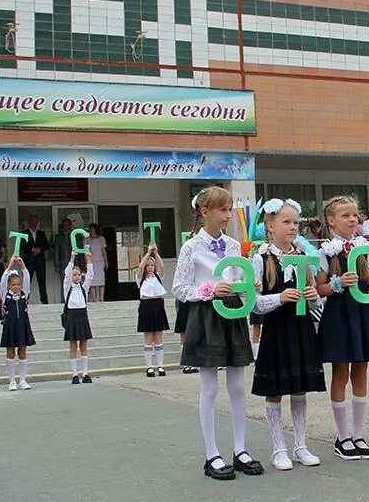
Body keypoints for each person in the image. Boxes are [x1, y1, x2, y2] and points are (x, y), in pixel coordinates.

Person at [174, 187, 262, 481]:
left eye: (229, 209)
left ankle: (240, 449)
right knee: (209, 386)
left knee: (237, 383)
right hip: (207, 313)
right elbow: (180, 288)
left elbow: (236, 279)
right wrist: (210, 290)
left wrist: (250, 285)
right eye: (223, 210)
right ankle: (212, 453)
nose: (228, 215)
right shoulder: (191, 248)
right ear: (205, 212)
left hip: (233, 313)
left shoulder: (234, 246)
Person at [251, 198, 326, 471]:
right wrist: (280, 298)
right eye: (286, 222)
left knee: (299, 388)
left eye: (296, 222)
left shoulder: (304, 256)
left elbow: (316, 301)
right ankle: (278, 447)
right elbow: (255, 303)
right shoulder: (261, 258)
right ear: (270, 226)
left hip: (301, 327)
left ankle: (301, 445)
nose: (292, 227)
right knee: (275, 390)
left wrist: (313, 295)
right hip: (277, 329)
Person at [316, 195, 369, 460]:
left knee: (361, 370)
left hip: (362, 311)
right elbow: (318, 288)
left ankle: (358, 433)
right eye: (346, 216)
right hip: (339, 314)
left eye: (355, 215)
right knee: (340, 372)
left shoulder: (364, 247)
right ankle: (342, 435)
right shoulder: (326, 250)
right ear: (331, 221)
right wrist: (336, 284)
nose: (352, 220)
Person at [0, 255, 35, 391]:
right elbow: (3, 279)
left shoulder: (24, 293)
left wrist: (22, 264)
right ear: (9, 285)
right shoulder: (5, 294)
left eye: (18, 284)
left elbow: (27, 277)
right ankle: (12, 381)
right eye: (13, 285)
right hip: (10, 326)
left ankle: (23, 380)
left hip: (22, 325)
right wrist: (9, 265)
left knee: (22, 351)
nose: (16, 287)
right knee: (10, 352)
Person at [137, 243, 169, 377]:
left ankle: (160, 365)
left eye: (151, 265)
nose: (149, 268)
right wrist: (148, 253)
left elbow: (161, 266)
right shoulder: (140, 279)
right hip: (146, 305)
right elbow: (139, 267)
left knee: (158, 337)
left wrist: (155, 253)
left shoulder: (158, 277)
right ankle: (149, 366)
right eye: (148, 266)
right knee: (148, 337)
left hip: (157, 304)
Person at [62, 251, 94, 384]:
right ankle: (75, 374)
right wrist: (72, 258)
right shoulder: (67, 287)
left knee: (84, 346)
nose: (76, 277)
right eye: (74, 275)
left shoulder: (83, 288)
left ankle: (85, 373)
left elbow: (90, 276)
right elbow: (66, 273)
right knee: (73, 346)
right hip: (72, 317)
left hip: (82, 316)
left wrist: (89, 260)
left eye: (78, 275)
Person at [22, 215, 50, 305]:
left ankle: (44, 301)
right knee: (27, 282)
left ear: (37, 223)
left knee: (42, 281)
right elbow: (21, 246)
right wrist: (31, 250)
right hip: (28, 260)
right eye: (32, 221)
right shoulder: (24, 233)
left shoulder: (41, 233)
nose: (33, 223)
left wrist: (40, 250)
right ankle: (25, 300)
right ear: (28, 222)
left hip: (40, 261)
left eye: (35, 221)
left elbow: (46, 245)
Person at [86, 223, 107, 302]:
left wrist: (106, 261)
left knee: (101, 279)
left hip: (100, 261)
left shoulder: (101, 239)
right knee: (92, 280)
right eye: (90, 229)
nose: (91, 230)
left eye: (92, 228)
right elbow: (85, 251)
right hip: (91, 261)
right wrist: (86, 262)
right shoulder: (87, 239)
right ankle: (94, 299)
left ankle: (102, 298)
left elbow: (103, 250)